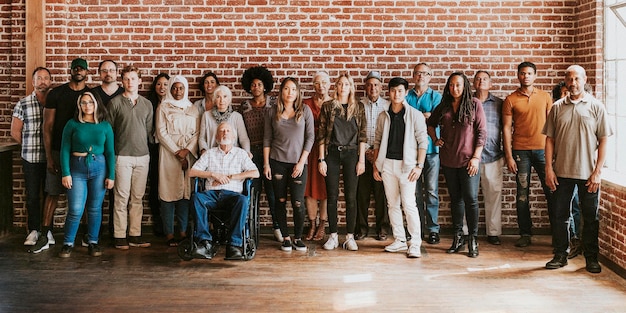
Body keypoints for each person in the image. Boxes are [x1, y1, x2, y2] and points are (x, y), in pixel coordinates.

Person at [543, 65, 613, 273]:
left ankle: (591, 258)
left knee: (591, 218)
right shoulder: (557, 107)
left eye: (577, 79)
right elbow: (549, 140)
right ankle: (560, 255)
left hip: (588, 175)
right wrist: (549, 168)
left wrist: (598, 172)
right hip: (561, 173)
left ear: (584, 80)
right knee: (560, 216)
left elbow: (603, 141)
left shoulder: (596, 107)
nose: (573, 83)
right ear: (565, 81)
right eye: (569, 79)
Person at [428, 72, 487, 258]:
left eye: (459, 85)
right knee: (456, 200)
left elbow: (482, 132)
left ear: (465, 86)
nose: (455, 88)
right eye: (452, 85)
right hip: (448, 160)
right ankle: (458, 237)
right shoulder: (444, 105)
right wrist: (435, 139)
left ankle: (473, 239)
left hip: (469, 161)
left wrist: (476, 157)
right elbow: (430, 123)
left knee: (470, 199)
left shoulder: (474, 104)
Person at [372, 77, 428, 258]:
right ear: (388, 92)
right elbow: (378, 142)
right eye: (393, 91)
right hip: (387, 164)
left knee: (409, 204)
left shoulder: (415, 115)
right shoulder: (383, 115)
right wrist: (375, 166)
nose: (396, 94)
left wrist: (419, 166)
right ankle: (399, 240)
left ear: (405, 93)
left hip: (408, 166)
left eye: (400, 91)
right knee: (392, 204)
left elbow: (423, 143)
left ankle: (415, 243)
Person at [40, 58, 91, 254]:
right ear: (70, 70)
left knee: (85, 195)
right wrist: (50, 157)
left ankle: (86, 233)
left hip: (82, 153)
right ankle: (45, 233)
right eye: (76, 68)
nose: (79, 71)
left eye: (82, 68)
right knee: (52, 191)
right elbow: (47, 127)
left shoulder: (92, 94)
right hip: (58, 150)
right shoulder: (57, 93)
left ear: (87, 72)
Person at [189, 122, 260, 260]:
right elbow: (192, 172)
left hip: (232, 196)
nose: (225, 133)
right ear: (216, 137)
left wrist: (232, 177)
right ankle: (205, 243)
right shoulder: (209, 154)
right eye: (221, 131)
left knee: (243, 200)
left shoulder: (241, 154)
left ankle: (233, 245)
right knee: (197, 197)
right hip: (212, 195)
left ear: (233, 137)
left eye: (228, 131)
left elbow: (256, 173)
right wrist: (212, 174)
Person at [503, 61, 554, 248]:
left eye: (529, 73)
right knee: (522, 194)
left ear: (535, 76)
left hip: (542, 151)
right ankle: (525, 233)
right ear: (518, 75)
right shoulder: (511, 99)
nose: (526, 76)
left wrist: (552, 153)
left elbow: (552, 127)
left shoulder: (545, 96)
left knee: (551, 191)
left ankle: (559, 233)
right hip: (520, 152)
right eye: (522, 73)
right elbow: (506, 129)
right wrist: (509, 156)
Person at [58, 91, 115, 257]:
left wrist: (111, 175)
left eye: (90, 102)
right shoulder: (72, 124)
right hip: (77, 168)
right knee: (76, 208)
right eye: (83, 102)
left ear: (96, 104)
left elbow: (110, 152)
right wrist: (65, 173)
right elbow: (64, 150)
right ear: (79, 105)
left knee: (95, 208)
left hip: (99, 167)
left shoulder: (105, 125)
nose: (87, 106)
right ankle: (68, 243)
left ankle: (93, 242)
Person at [263, 77, 315, 251]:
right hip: (277, 162)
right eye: (286, 89)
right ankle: (286, 238)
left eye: (293, 89)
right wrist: (266, 164)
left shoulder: (305, 110)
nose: (290, 92)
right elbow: (267, 139)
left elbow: (310, 138)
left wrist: (301, 162)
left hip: (298, 164)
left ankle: (298, 238)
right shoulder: (271, 112)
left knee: (298, 202)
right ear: (281, 91)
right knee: (280, 200)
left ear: (298, 92)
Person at [318, 73, 367, 251]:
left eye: (346, 84)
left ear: (351, 87)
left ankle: (349, 237)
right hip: (332, 153)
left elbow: (363, 135)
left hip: (352, 154)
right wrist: (321, 159)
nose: (343, 87)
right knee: (331, 196)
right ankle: (332, 236)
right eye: (340, 84)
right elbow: (322, 135)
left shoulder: (358, 107)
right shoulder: (328, 106)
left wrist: (361, 160)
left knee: (351, 197)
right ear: (336, 87)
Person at [107, 65, 153, 250]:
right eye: (126, 79)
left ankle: (135, 235)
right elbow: (108, 131)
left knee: (137, 197)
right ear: (122, 81)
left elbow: (149, 131)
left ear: (139, 81)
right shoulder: (115, 103)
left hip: (143, 157)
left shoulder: (147, 104)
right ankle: (120, 235)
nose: (130, 82)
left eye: (133, 78)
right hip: (122, 156)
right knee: (121, 198)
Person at [155, 75, 201, 246]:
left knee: (185, 193)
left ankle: (182, 231)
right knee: (168, 193)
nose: (178, 91)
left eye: (181, 88)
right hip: (169, 154)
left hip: (188, 153)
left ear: (186, 89)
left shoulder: (192, 109)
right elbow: (161, 132)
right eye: (174, 88)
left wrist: (187, 150)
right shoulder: (163, 107)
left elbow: (197, 133)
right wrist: (177, 151)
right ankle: (169, 233)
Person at [239, 66, 282, 242]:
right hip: (250, 154)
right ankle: (249, 228)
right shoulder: (243, 107)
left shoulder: (274, 104)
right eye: (253, 85)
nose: (256, 87)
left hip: (270, 153)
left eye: (259, 84)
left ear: (265, 86)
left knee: (272, 192)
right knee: (252, 191)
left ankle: (278, 227)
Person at [11, 67, 51, 248]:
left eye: (46, 78)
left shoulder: (54, 102)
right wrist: (28, 146)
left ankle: (47, 230)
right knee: (33, 196)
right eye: (39, 78)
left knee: (50, 194)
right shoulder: (23, 103)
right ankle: (34, 230)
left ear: (50, 81)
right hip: (31, 158)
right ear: (33, 82)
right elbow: (15, 131)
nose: (43, 81)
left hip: (51, 158)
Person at [405, 62, 443, 245]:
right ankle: (416, 229)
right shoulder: (406, 95)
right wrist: (424, 116)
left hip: (431, 151)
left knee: (431, 191)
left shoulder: (437, 97)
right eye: (418, 73)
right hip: (411, 152)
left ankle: (433, 229)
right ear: (413, 76)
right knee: (414, 193)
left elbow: (436, 120)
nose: (421, 76)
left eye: (425, 73)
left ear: (430, 76)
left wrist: (420, 117)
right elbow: (405, 119)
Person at [91, 59, 124, 241]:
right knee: (97, 191)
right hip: (97, 148)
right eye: (104, 70)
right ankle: (96, 230)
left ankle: (115, 229)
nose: (108, 73)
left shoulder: (123, 93)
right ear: (99, 73)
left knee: (116, 191)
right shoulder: (93, 94)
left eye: (111, 70)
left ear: (117, 72)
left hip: (120, 147)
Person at [356, 71, 390, 241]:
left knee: (381, 195)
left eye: (376, 84)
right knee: (361, 194)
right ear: (365, 88)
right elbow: (355, 131)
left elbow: (388, 133)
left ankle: (382, 229)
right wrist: (366, 152)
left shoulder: (387, 106)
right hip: (362, 155)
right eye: (369, 85)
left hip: (382, 156)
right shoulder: (358, 105)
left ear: (381, 87)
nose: (373, 88)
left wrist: (376, 153)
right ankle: (361, 229)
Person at [473, 71, 504, 245]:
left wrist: (507, 154)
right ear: (473, 83)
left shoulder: (500, 104)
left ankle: (493, 232)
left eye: (485, 79)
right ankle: (467, 231)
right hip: (470, 158)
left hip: (493, 156)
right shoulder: (467, 102)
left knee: (493, 194)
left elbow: (507, 129)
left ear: (491, 84)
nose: (481, 81)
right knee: (468, 196)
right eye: (477, 79)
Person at [552, 81, 582, 259]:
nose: (566, 96)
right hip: (562, 167)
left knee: (576, 206)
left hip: (580, 167)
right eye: (562, 94)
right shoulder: (557, 111)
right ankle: (564, 244)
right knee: (563, 208)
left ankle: (575, 239)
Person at [303, 71, 331, 241]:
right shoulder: (306, 103)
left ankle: (322, 224)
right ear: (313, 85)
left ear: (329, 84)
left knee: (326, 189)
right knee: (309, 189)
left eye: (324, 82)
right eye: (317, 83)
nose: (321, 86)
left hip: (328, 151)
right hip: (309, 150)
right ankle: (312, 224)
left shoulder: (334, 103)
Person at [146, 72, 170, 237]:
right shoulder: (149, 104)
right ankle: (158, 219)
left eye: (165, 84)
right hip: (153, 148)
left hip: (170, 149)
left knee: (169, 182)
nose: (162, 87)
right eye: (159, 84)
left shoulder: (174, 104)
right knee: (154, 183)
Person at [198, 85, 250, 155]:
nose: (222, 100)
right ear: (214, 99)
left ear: (229, 99)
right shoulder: (206, 116)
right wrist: (204, 151)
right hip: (211, 156)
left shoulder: (237, 116)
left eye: (225, 97)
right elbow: (202, 138)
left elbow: (244, 139)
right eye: (218, 97)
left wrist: (246, 152)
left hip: (232, 157)